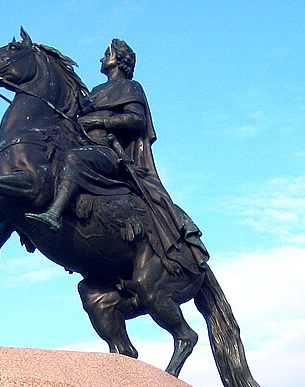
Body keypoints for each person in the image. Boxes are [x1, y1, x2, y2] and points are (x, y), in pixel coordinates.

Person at [26, 39, 207, 275]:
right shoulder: (95, 92)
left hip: (109, 153)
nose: (102, 58)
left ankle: (54, 213)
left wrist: (99, 121)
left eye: (106, 54)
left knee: (73, 160)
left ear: (120, 60)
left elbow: (136, 119)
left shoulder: (131, 87)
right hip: (86, 145)